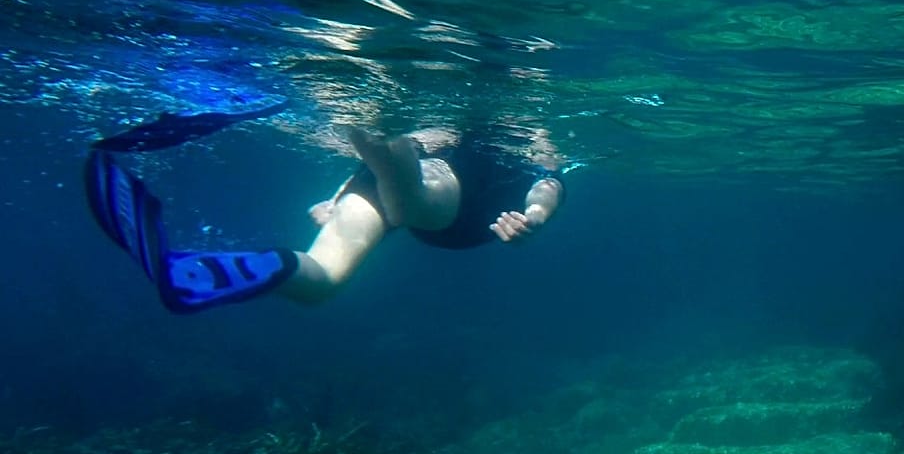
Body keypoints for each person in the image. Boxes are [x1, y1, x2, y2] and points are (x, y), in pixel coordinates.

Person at [85, 110, 566, 314]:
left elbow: (546, 190)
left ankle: (380, 138)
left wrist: (340, 196)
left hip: (412, 175)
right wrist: (535, 221)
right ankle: (383, 144)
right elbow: (547, 185)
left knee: (328, 269)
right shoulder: (534, 134)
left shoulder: (479, 122)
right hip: (463, 205)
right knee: (332, 275)